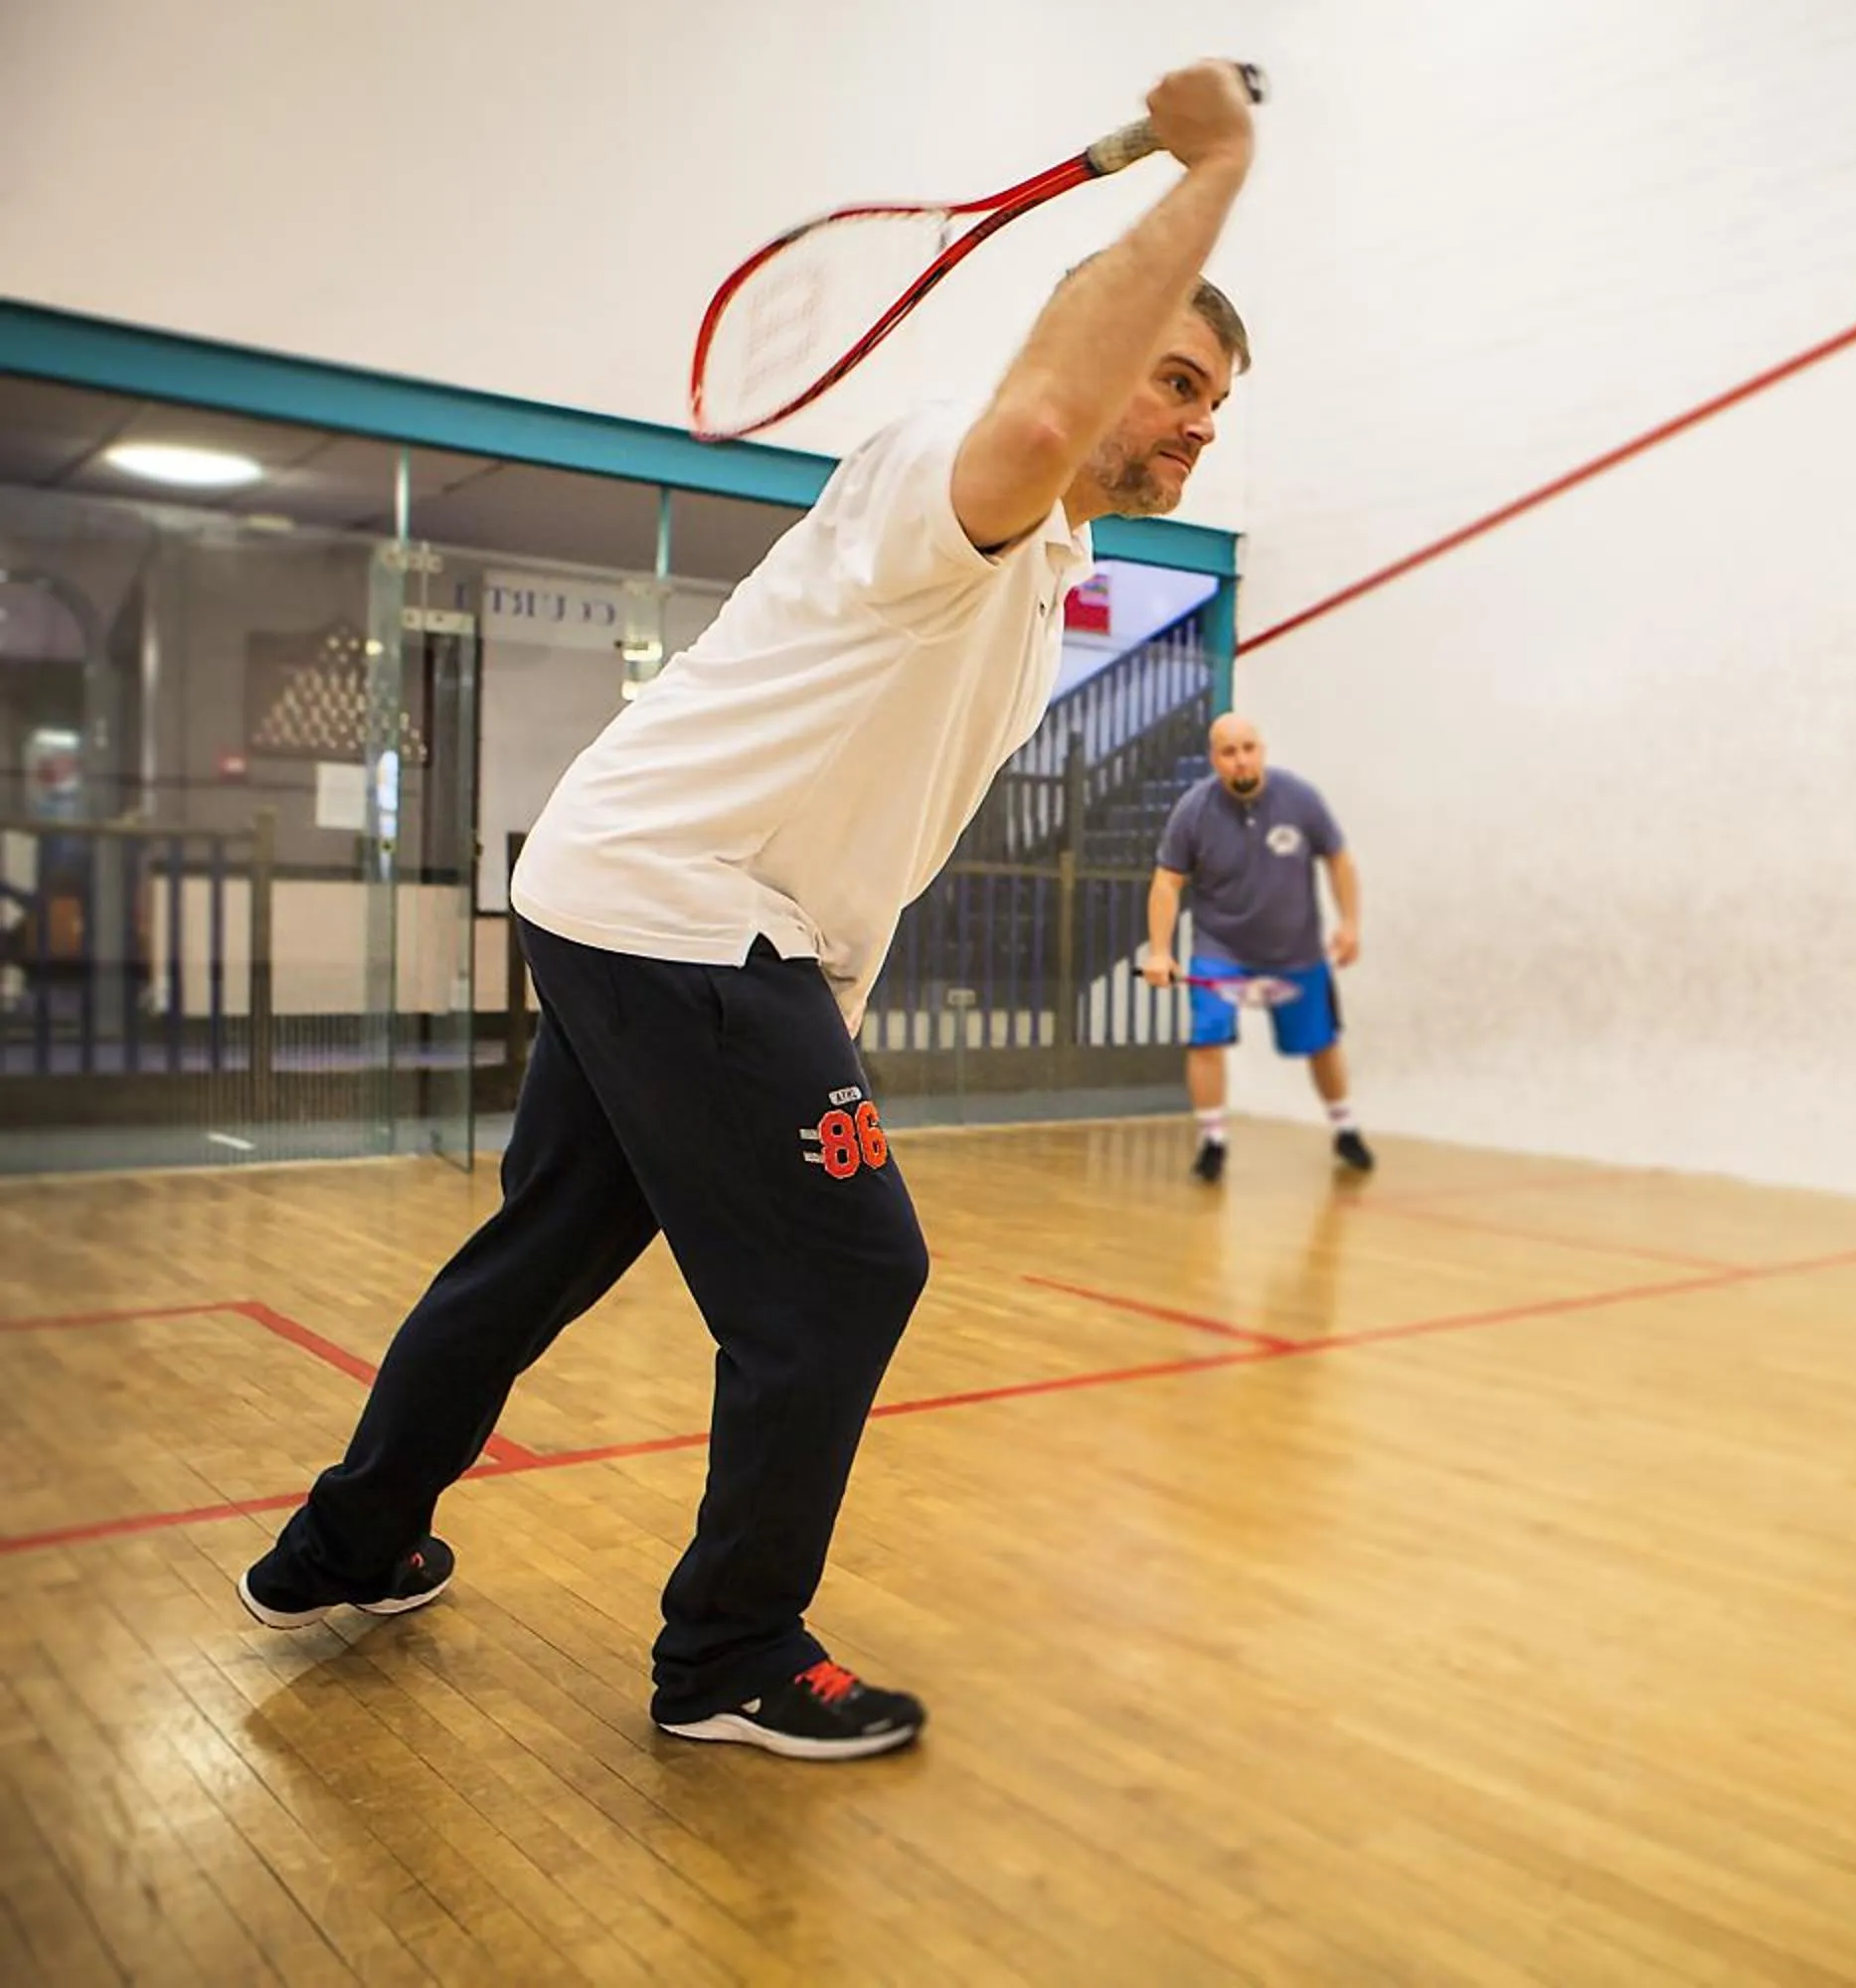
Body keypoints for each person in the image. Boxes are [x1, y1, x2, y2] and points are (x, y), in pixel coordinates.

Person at [233, 59, 1261, 1763]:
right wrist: (1210, 165)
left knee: (541, 1251)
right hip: (682, 912)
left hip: (644, 896)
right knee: (847, 1281)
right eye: (1172, 377)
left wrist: (826, 980)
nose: (1197, 419)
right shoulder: (962, 483)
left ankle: (340, 1549)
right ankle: (728, 1654)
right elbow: (1033, 408)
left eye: (1216, 399)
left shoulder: (1045, 556)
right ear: (1086, 353)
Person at [1141, 714, 1371, 1183]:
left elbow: (1339, 859)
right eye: (1229, 751)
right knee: (1206, 1038)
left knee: (1322, 1044)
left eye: (1248, 747)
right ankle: (1212, 1140)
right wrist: (1160, 952)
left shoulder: (1299, 798)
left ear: (1261, 749)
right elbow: (1167, 882)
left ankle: (1345, 1127)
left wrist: (1349, 924)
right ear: (1214, 759)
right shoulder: (1193, 810)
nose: (1240, 759)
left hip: (1296, 951)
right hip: (1220, 950)